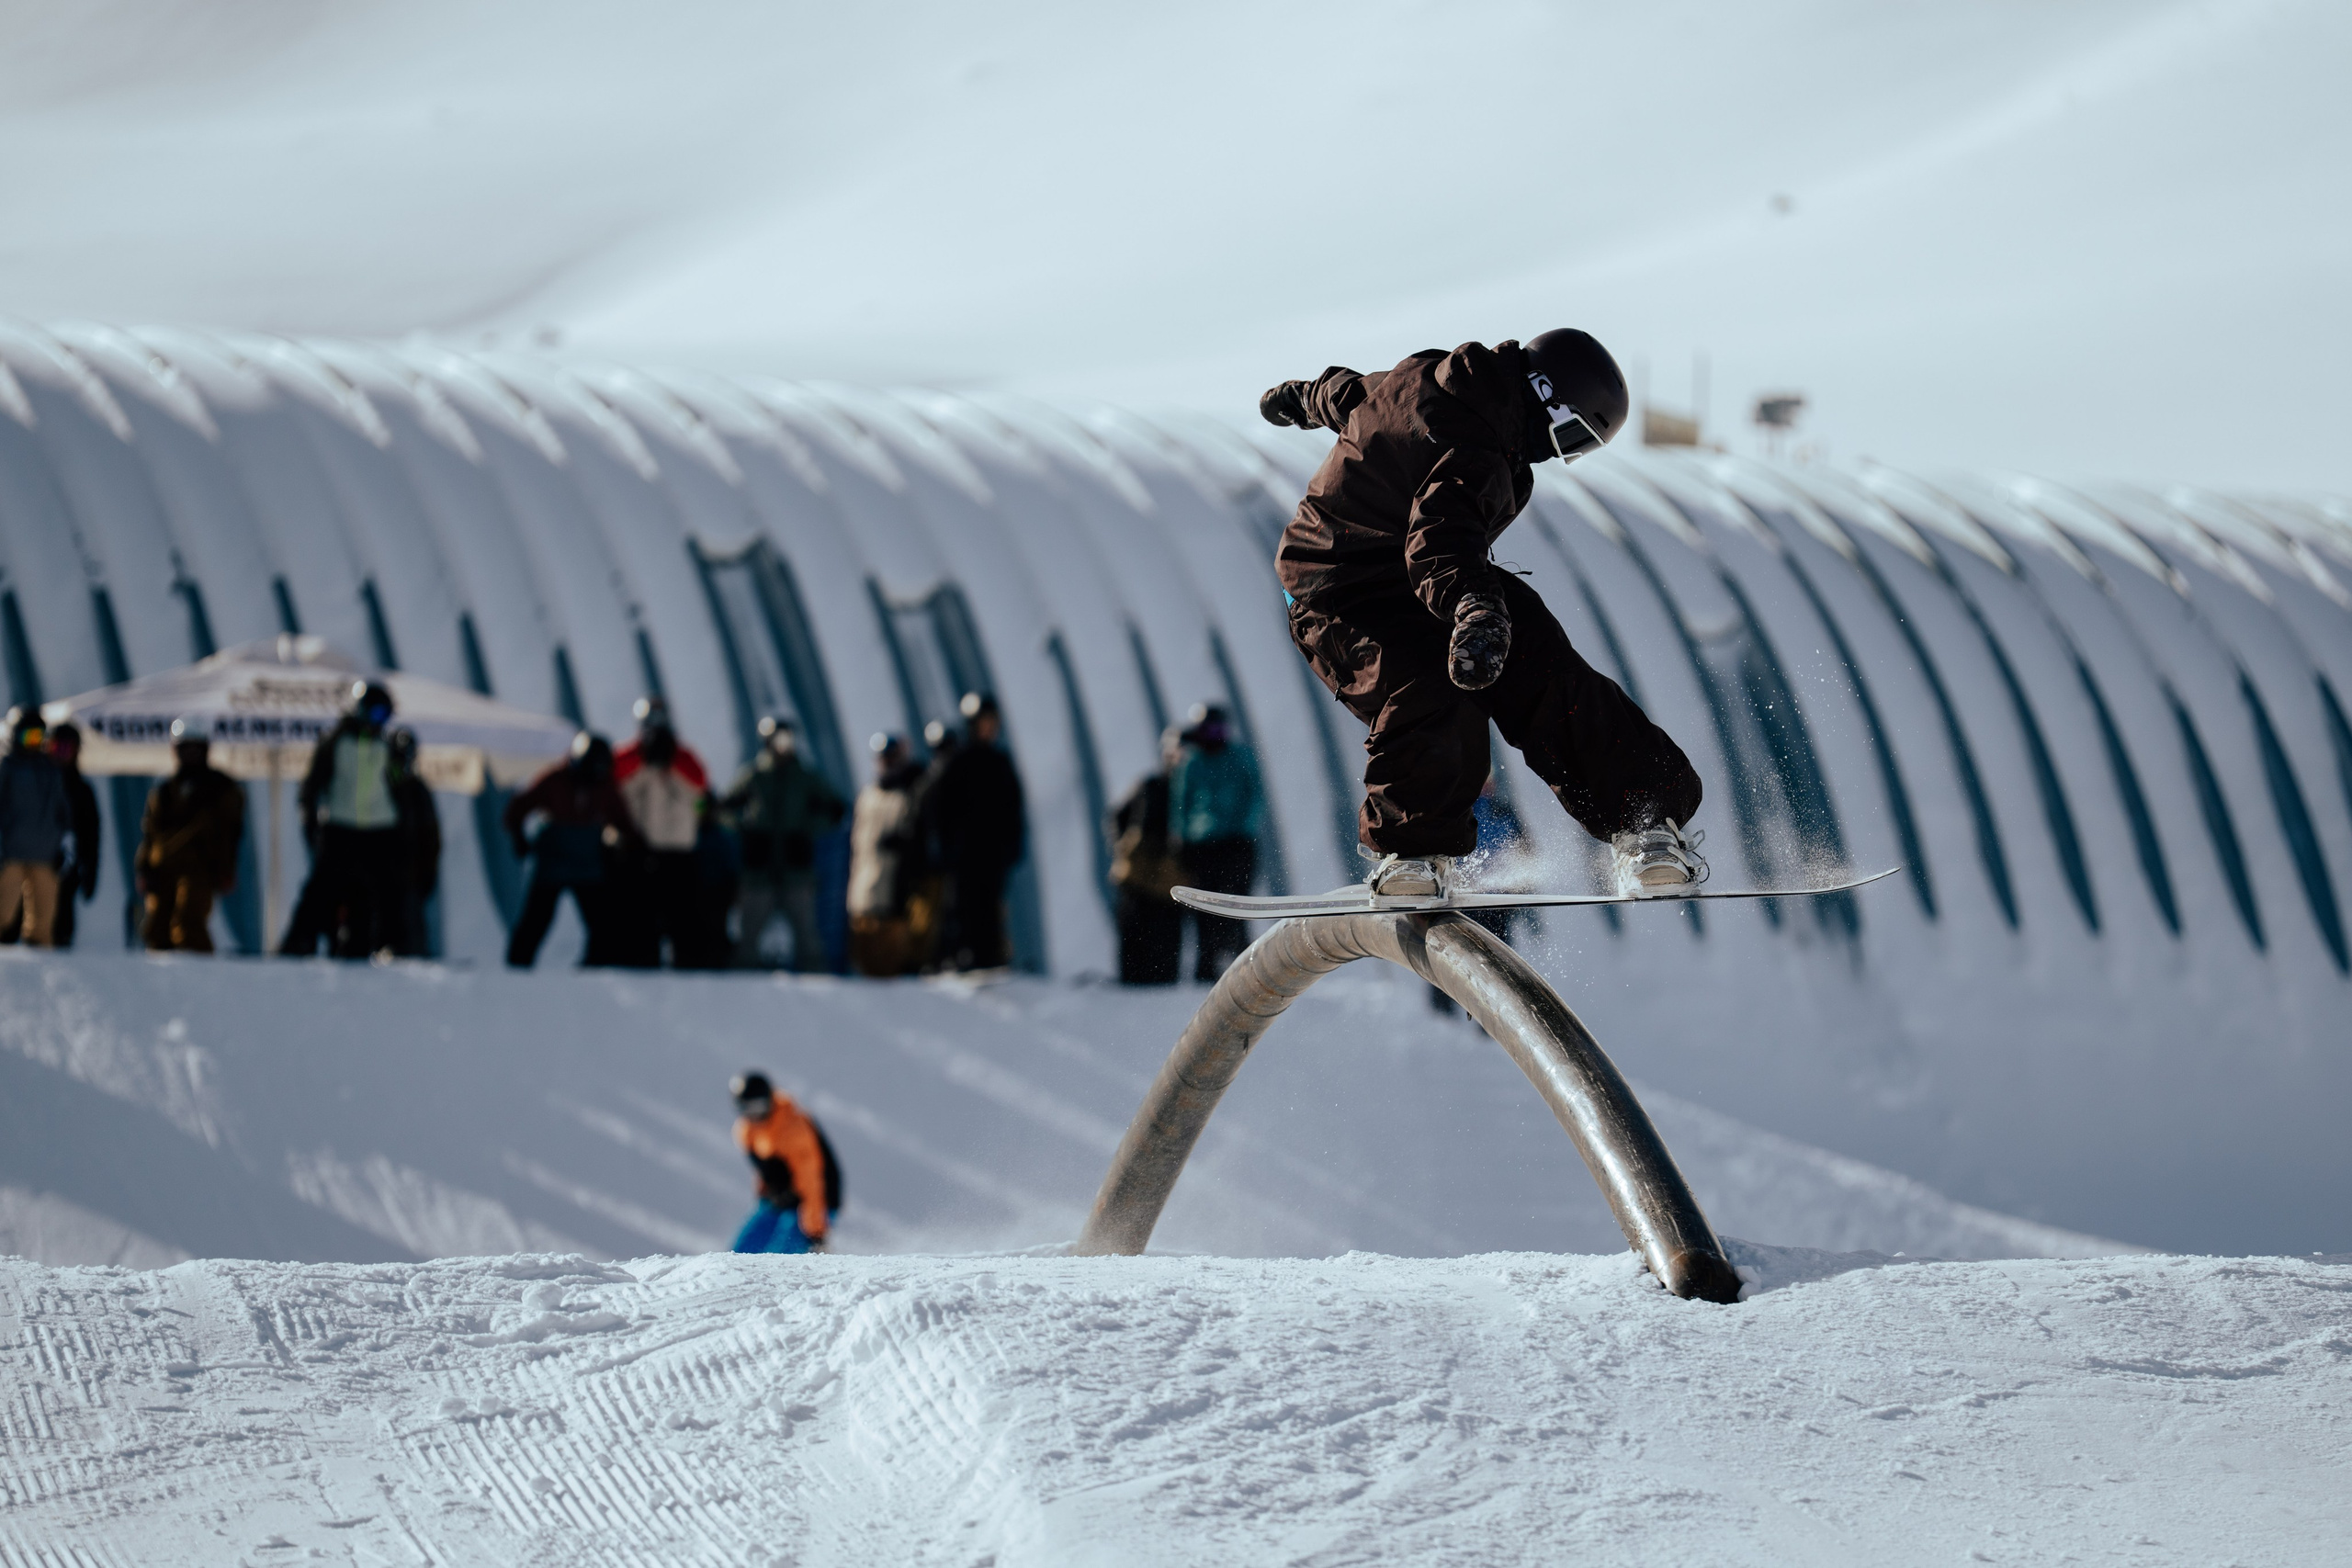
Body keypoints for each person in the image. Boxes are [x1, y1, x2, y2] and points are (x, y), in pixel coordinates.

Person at [1260, 330, 1706, 897]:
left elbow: (1353, 397)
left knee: (1542, 663)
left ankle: (1642, 815)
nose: (1559, 452)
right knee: (1430, 689)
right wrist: (1474, 607)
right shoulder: (1481, 447)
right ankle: (1411, 853)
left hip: (1415, 576)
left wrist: (1301, 397)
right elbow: (1442, 535)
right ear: (1547, 398)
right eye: (1571, 436)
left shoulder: (1439, 381)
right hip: (1339, 590)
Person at [284, 681, 404, 957]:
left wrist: (402, 765)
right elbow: (313, 784)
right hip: (340, 826)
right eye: (374, 714)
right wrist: (311, 820)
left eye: (384, 715)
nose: (378, 722)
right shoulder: (337, 742)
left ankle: (369, 945)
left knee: (377, 892)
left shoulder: (387, 746)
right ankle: (299, 942)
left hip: (379, 829)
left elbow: (400, 784)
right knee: (321, 889)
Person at [502, 732, 640, 968]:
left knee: (602, 924)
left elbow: (624, 822)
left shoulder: (605, 787)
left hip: (587, 865)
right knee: (536, 921)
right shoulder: (555, 780)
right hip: (552, 864)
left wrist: (634, 849)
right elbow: (516, 809)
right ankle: (517, 968)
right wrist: (519, 839)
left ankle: (595, 967)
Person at [722, 715, 845, 970]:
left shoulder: (804, 777)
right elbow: (725, 808)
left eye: (786, 738)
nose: (782, 744)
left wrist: (807, 830)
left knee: (807, 934)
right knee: (750, 932)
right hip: (759, 869)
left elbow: (836, 809)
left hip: (796, 869)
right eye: (777, 738)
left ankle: (819, 986)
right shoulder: (755, 775)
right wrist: (747, 830)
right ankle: (741, 987)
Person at [922, 693, 1025, 971]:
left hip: (992, 856)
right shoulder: (958, 763)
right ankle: (959, 959)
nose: (989, 728)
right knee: (961, 909)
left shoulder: (1000, 763)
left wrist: (1013, 846)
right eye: (984, 722)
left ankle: (989, 959)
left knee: (990, 910)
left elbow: (1014, 810)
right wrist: (945, 849)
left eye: (993, 722)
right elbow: (939, 811)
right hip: (964, 857)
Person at [1168, 703, 1263, 980]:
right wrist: (1182, 839)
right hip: (1202, 847)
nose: (1213, 735)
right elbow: (1181, 804)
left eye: (1218, 729)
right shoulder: (1192, 762)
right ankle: (1206, 967)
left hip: (1235, 844)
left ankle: (1244, 966)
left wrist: (1243, 829)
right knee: (1205, 909)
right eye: (1208, 729)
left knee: (1237, 905)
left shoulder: (1239, 756)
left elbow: (1254, 794)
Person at [614, 695, 711, 967]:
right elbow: (613, 778)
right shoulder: (630, 756)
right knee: (639, 915)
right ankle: (641, 960)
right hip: (639, 849)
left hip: (678, 849)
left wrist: (670, 758)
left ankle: (689, 962)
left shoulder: (683, 756)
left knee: (683, 913)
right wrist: (642, 756)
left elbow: (701, 784)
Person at [135, 715, 244, 952]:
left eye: (196, 748)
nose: (191, 754)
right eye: (185, 748)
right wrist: (144, 867)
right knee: (156, 929)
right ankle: (161, 985)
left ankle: (199, 982)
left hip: (200, 869)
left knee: (188, 924)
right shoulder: (164, 791)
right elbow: (150, 833)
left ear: (205, 749)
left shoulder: (221, 788)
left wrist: (226, 869)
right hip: (162, 869)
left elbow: (230, 833)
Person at [729, 1071, 840, 1255]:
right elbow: (763, 1167)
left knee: (783, 1255)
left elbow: (811, 1180)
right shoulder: (747, 1131)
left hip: (814, 1202)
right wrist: (764, 1192)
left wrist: (816, 1231)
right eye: (746, 1108)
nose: (753, 1114)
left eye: (758, 1107)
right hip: (780, 1199)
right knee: (740, 1251)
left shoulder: (792, 1129)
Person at [1107, 727, 1184, 985]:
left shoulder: (1188, 791)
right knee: (1134, 933)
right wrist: (1125, 847)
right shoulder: (1151, 784)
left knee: (1165, 938)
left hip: (1168, 881)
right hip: (1139, 877)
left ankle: (1161, 981)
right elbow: (1118, 816)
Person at [845, 733, 926, 976]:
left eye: (893, 758)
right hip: (863, 891)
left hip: (893, 892)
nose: (887, 764)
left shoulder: (908, 795)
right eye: (884, 759)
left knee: (891, 963)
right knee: (864, 960)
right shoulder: (868, 796)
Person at [0, 707, 74, 947]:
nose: (33, 743)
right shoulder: (8, 767)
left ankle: (41, 971)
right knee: (3, 912)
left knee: (43, 922)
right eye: (28, 736)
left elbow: (63, 811)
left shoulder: (51, 770)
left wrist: (64, 845)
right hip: (11, 853)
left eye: (38, 737)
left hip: (45, 854)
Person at [385, 727, 441, 958]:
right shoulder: (378, 784)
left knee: (410, 926)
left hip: (410, 872)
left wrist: (428, 871)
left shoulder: (417, 789)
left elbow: (431, 835)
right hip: (379, 870)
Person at [47, 722, 101, 950]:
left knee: (62, 922)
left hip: (68, 866)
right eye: (56, 747)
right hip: (34, 860)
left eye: (67, 748)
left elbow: (91, 834)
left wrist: (90, 872)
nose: (61, 754)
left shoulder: (81, 789)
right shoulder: (39, 781)